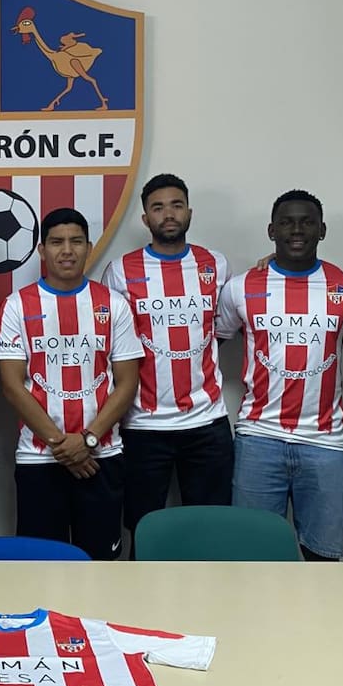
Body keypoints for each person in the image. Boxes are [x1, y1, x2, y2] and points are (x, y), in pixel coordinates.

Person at [216, 190, 343, 561]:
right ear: (272, 231)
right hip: (258, 438)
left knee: (323, 556)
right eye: (287, 222)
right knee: (252, 555)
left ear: (322, 230)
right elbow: (212, 345)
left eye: (307, 222)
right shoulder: (240, 288)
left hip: (325, 443)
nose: (297, 230)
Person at [0, 208, 143, 560]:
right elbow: (12, 385)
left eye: (76, 241)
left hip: (101, 456)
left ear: (89, 248)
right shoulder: (17, 305)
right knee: (41, 567)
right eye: (56, 242)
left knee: (100, 566)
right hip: (39, 458)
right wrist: (62, 446)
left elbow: (127, 382)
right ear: (41, 250)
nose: (67, 250)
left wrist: (88, 440)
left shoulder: (113, 304)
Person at [101, 173, 233, 555]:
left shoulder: (216, 264)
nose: (168, 214)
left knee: (211, 530)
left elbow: (222, 329)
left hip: (207, 422)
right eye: (158, 208)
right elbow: (113, 344)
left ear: (189, 212)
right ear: (146, 219)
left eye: (176, 205)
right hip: (143, 425)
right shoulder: (121, 270)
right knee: (143, 529)